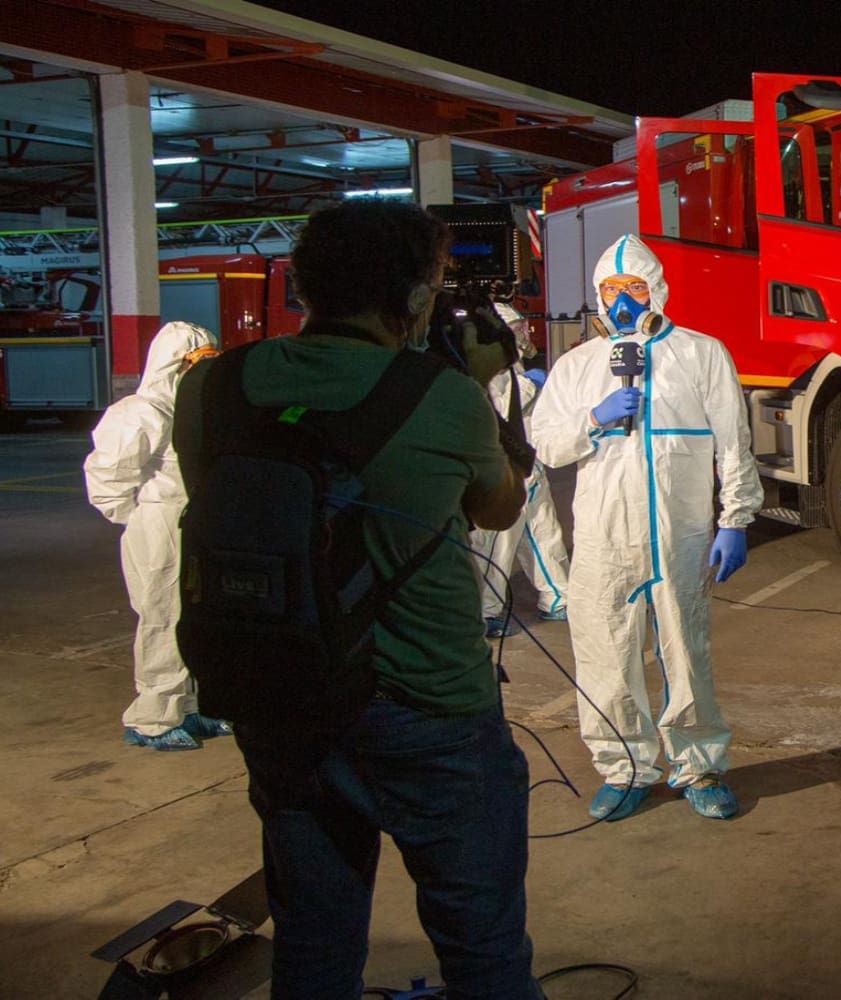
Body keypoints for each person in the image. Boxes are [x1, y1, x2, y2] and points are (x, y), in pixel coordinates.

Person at [173, 200, 544, 997]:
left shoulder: (210, 389)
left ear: (304, 286)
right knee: (481, 946)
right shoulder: (441, 395)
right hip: (429, 705)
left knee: (313, 939)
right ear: (412, 298)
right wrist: (477, 384)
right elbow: (500, 507)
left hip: (280, 696)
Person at [528, 234, 761, 821]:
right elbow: (547, 445)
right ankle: (624, 767)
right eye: (611, 290)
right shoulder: (578, 366)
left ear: (656, 289)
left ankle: (699, 765)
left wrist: (735, 518)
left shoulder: (701, 354)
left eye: (633, 287)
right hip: (603, 538)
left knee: (687, 651)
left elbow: (733, 442)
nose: (623, 301)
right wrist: (594, 419)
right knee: (605, 653)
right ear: (597, 295)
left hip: (680, 535)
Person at [84, 320, 231, 751]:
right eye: (196, 362)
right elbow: (108, 478)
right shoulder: (141, 412)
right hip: (159, 526)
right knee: (163, 617)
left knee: (198, 616)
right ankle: (153, 718)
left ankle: (192, 705)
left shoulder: (195, 410)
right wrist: (140, 517)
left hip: (193, 523)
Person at [476, 360, 570, 635]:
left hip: (528, 465)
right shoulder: (485, 366)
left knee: (544, 535)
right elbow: (498, 411)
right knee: (498, 545)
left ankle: (557, 597)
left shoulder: (510, 364)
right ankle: (485, 611)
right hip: (504, 468)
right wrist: (528, 384)